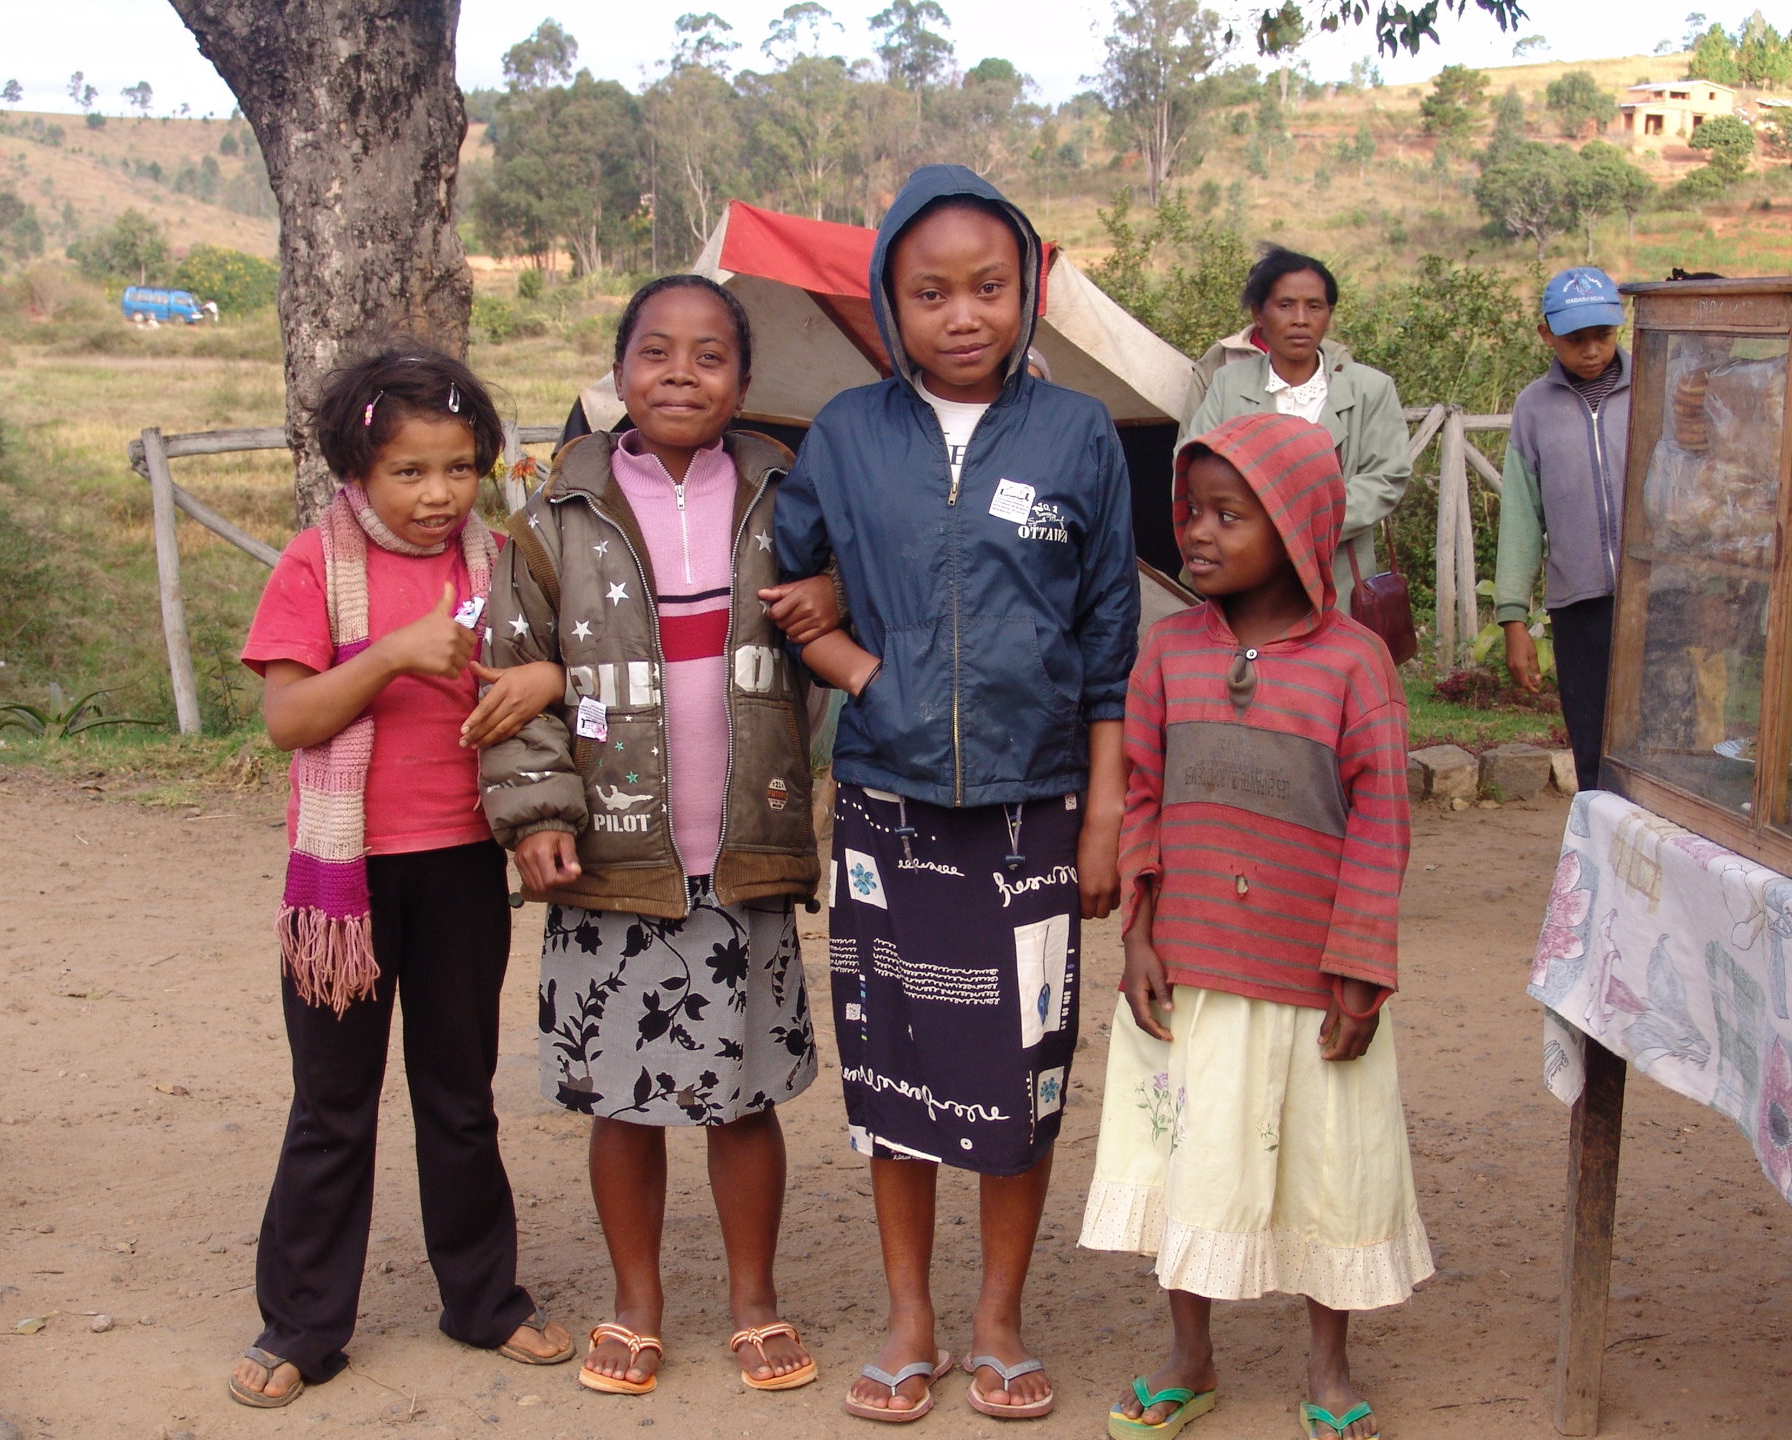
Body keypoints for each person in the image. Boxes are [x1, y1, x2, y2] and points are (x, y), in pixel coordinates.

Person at [772, 164, 1140, 1423]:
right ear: (888, 300)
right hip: (888, 805)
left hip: (1037, 809)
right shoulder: (844, 433)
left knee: (1021, 1073)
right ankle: (910, 1316)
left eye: (989, 286)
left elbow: (1107, 641)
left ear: (1028, 289)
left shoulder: (1078, 433)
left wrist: (1104, 813)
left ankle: (997, 1317)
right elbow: (790, 584)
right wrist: (856, 664)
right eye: (931, 292)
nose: (963, 314)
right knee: (900, 1074)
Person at [475, 274, 833, 1397]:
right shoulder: (554, 513)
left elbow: (844, 623)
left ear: (742, 378)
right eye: (657, 352)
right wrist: (535, 811)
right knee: (622, 1104)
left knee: (746, 1096)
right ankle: (635, 1304)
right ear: (618, 370)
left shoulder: (790, 497)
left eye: (711, 355)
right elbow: (506, 680)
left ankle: (755, 1302)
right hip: (612, 857)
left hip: (743, 847)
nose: (683, 374)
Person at [230, 349, 575, 1409]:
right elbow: (290, 718)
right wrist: (388, 655)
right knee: (333, 1104)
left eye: (460, 469)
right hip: (343, 889)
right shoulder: (313, 563)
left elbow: (568, 660)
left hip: (464, 867)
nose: (439, 496)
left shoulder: (503, 559)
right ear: (357, 469)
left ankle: (485, 1302)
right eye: (410, 473)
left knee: (458, 1099)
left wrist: (544, 675)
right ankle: (301, 1325)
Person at [1081, 411, 1430, 1440]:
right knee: (1191, 1159)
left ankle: (1328, 1364)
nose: (1196, 532)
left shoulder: (1355, 664)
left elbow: (1382, 819)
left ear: (1298, 522)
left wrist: (1362, 960)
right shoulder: (1168, 652)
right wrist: (1138, 933)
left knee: (1333, 1164)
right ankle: (1190, 1356)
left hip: (1316, 977)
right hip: (1191, 973)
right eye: (1191, 512)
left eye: (1228, 515)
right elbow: (1142, 795)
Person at [1182, 249, 1411, 614]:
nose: (1300, 320)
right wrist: (1249, 529)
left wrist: (1299, 526)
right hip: (1244, 580)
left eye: (1314, 306)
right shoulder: (1227, 384)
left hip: (1338, 581)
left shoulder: (1371, 388)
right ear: (1259, 314)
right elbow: (1191, 462)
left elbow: (1386, 478)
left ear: (1329, 315)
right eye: (1286, 305)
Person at [1494, 266, 1630, 792]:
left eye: (1603, 335)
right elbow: (1522, 515)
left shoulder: (1653, 386)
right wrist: (1512, 617)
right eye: (1576, 339)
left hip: (1658, 601)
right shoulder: (1533, 407)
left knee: (1665, 745)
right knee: (1593, 750)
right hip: (1580, 605)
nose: (1592, 350)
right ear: (1546, 335)